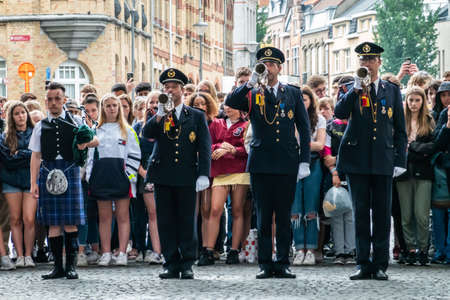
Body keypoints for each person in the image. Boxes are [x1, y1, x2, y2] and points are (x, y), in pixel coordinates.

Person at [226, 47, 311, 279]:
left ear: (280, 68)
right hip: (262, 162)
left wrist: (304, 160)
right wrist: (251, 81)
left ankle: (283, 262)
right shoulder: (253, 92)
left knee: (283, 216)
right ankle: (265, 263)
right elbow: (230, 101)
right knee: (263, 216)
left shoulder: (292, 93)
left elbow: (304, 128)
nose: (268, 68)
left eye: (272, 64)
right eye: (264, 64)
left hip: (286, 161)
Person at [334, 42, 407, 280]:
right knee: (361, 212)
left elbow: (400, 130)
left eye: (370, 60)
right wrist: (355, 89)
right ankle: (363, 263)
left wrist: (400, 160)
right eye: (362, 60)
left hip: (383, 159)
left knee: (383, 214)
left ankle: (380, 265)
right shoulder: (348, 87)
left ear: (379, 62)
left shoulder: (392, 90)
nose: (366, 64)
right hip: (357, 159)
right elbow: (340, 114)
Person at [143, 68, 211, 279]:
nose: (170, 91)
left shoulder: (196, 116)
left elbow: (205, 146)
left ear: (183, 90)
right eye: (166, 88)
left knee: (185, 219)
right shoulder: (160, 114)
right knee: (165, 220)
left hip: (186, 173)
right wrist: (160, 115)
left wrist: (203, 174)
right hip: (163, 173)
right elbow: (146, 134)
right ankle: (170, 262)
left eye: (174, 87)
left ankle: (187, 262)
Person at [29, 82, 99, 280]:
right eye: (50, 99)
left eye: (57, 99)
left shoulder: (76, 120)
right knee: (52, 223)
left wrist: (84, 143)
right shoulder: (40, 126)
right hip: (48, 173)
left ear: (64, 100)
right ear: (45, 101)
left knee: (70, 223)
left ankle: (71, 266)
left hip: (70, 171)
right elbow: (35, 156)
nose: (53, 103)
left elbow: (96, 140)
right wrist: (33, 183)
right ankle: (57, 267)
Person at [86, 93, 141, 267]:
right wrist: (90, 176)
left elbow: (134, 155)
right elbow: (89, 157)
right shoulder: (95, 130)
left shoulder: (127, 130)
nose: (112, 109)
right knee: (104, 217)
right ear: (103, 108)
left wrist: (129, 176)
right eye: (108, 105)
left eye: (115, 105)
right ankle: (106, 252)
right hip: (101, 176)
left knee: (123, 216)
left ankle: (123, 252)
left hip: (121, 178)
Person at [202, 105, 249, 265]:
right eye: (226, 105)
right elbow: (207, 144)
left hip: (239, 171)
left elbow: (248, 148)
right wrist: (220, 147)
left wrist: (234, 150)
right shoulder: (216, 123)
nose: (228, 108)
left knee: (237, 210)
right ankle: (208, 250)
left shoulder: (246, 125)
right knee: (215, 209)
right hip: (220, 171)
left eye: (233, 106)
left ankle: (234, 250)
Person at [395, 87, 435, 266]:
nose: (413, 104)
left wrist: (412, 148)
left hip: (423, 173)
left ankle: (424, 249)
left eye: (417, 100)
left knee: (422, 214)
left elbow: (432, 148)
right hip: (403, 172)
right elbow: (395, 147)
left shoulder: (428, 120)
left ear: (423, 101)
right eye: (410, 100)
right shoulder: (399, 120)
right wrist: (416, 150)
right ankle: (410, 249)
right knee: (406, 215)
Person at [291, 86, 326, 266]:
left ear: (311, 101)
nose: (302, 102)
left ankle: (311, 248)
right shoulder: (289, 118)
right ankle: (299, 248)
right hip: (292, 163)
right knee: (295, 206)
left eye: (305, 99)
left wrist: (300, 144)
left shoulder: (319, 119)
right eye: (299, 99)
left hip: (313, 163)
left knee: (311, 205)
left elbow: (320, 145)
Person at [0, 102, 35, 268]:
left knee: (29, 218)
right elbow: (8, 160)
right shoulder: (5, 137)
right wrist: (27, 157)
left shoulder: (36, 133)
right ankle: (19, 255)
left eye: (23, 112)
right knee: (15, 219)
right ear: (11, 117)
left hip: (30, 180)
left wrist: (20, 153)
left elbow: (38, 155)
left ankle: (29, 255)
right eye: (17, 113)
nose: (21, 116)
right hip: (11, 181)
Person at [133, 91, 164, 264]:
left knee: (164, 214)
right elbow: (132, 153)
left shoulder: (169, 123)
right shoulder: (138, 127)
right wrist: (144, 173)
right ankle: (156, 251)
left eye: (157, 101)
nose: (154, 105)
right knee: (152, 214)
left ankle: (164, 249)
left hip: (165, 171)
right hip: (145, 172)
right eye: (151, 102)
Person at [432, 83, 450, 265]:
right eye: (443, 95)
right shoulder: (438, 115)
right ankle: (440, 250)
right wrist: (447, 125)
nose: (447, 99)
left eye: (449, 95)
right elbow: (437, 143)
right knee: (438, 211)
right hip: (441, 169)